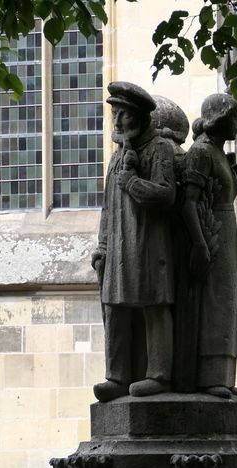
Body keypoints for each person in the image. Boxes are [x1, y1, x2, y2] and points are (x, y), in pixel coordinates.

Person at [91, 82, 177, 402]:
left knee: (154, 306)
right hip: (118, 248)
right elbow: (107, 208)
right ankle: (117, 375)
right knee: (116, 310)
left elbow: (166, 194)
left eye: (123, 114)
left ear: (139, 116)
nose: (116, 121)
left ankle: (158, 375)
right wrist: (102, 247)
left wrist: (133, 183)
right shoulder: (116, 158)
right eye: (115, 113)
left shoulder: (158, 149)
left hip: (148, 243)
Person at [180, 93, 237, 398]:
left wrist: (236, 182)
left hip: (226, 230)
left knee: (227, 302)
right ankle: (209, 377)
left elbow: (220, 199)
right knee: (215, 303)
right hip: (212, 235)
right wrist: (199, 243)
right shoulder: (201, 153)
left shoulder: (219, 154)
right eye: (234, 118)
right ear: (218, 119)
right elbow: (189, 202)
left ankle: (224, 377)